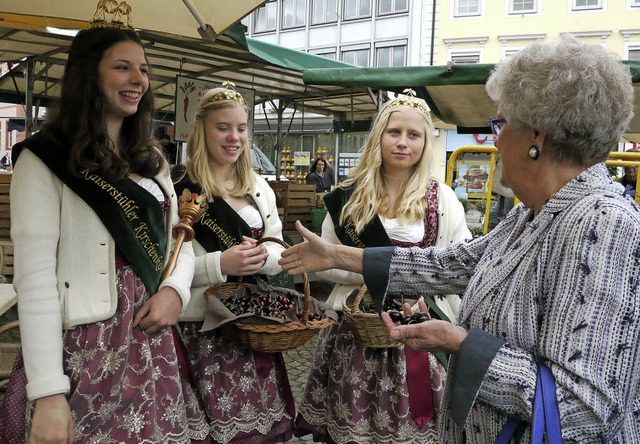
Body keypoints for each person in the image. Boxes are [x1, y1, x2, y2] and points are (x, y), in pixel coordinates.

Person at [279, 35, 640, 442]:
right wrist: (337, 256)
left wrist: (462, 344)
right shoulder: (532, 212)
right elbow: (452, 263)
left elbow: (583, 408)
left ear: (537, 139)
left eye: (501, 124)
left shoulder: (602, 224)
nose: (495, 139)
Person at [0, 25, 209, 443]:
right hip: (81, 354)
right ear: (88, 75)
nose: (139, 80)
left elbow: (179, 243)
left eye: (144, 70)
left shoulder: (152, 162)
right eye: (122, 67)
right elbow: (35, 281)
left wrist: (174, 292)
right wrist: (48, 393)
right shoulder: (43, 160)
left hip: (153, 345)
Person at [294, 91, 471, 443]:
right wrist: (367, 272)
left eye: (413, 134)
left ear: (425, 143)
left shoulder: (444, 199)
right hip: (356, 331)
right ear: (379, 136)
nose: (403, 142)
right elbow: (327, 264)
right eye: (394, 132)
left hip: (419, 330)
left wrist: (427, 298)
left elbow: (458, 268)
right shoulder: (349, 196)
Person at [174, 84, 295, 443]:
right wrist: (221, 262)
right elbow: (163, 267)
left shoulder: (259, 186)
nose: (234, 137)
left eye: (241, 128)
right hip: (202, 327)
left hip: (253, 322)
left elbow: (278, 245)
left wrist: (265, 257)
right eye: (223, 127)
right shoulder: (179, 185)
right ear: (202, 130)